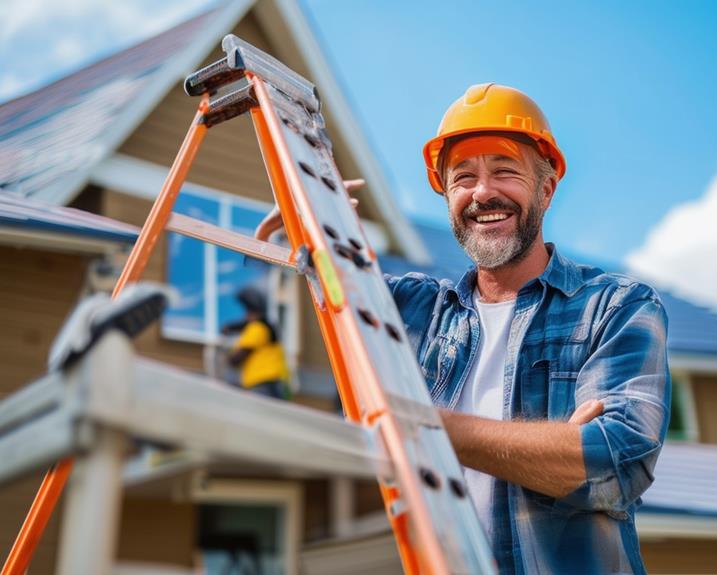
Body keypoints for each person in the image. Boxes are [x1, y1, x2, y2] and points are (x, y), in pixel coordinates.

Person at [258, 83, 669, 574]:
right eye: (463, 177)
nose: (482, 192)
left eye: (504, 171)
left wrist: (420, 423)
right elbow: (335, 294)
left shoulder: (614, 307)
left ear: (546, 187)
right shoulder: (412, 310)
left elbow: (616, 464)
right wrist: (315, 231)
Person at [221, 286, 290, 400]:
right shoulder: (266, 327)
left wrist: (227, 357)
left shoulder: (257, 328)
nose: (245, 316)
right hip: (274, 382)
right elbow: (242, 326)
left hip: (263, 382)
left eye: (248, 312)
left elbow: (238, 357)